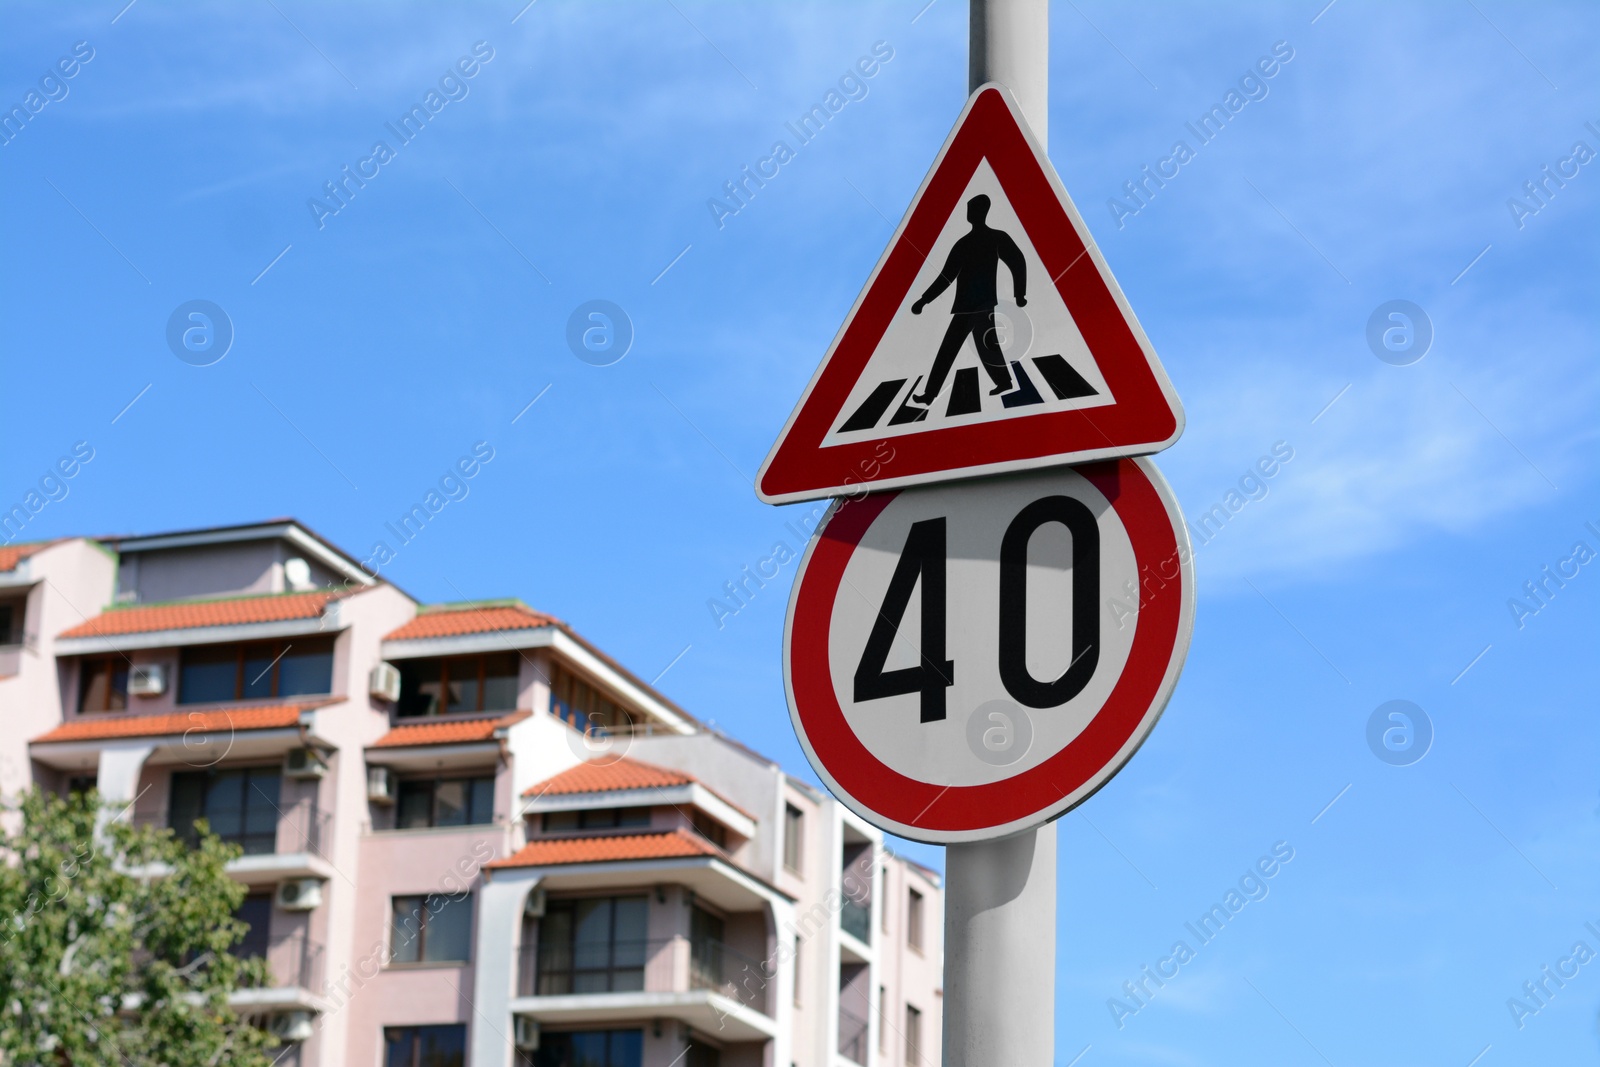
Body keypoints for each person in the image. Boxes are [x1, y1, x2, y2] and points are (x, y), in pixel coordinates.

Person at [909, 194, 1027, 404]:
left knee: (959, 347)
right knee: (986, 345)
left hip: (980, 305)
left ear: (980, 212)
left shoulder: (995, 238)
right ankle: (1004, 382)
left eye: (972, 209)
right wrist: (924, 300)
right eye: (968, 209)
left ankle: (930, 395)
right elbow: (946, 276)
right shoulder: (963, 244)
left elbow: (1017, 261)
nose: (969, 212)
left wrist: (1020, 294)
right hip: (967, 306)